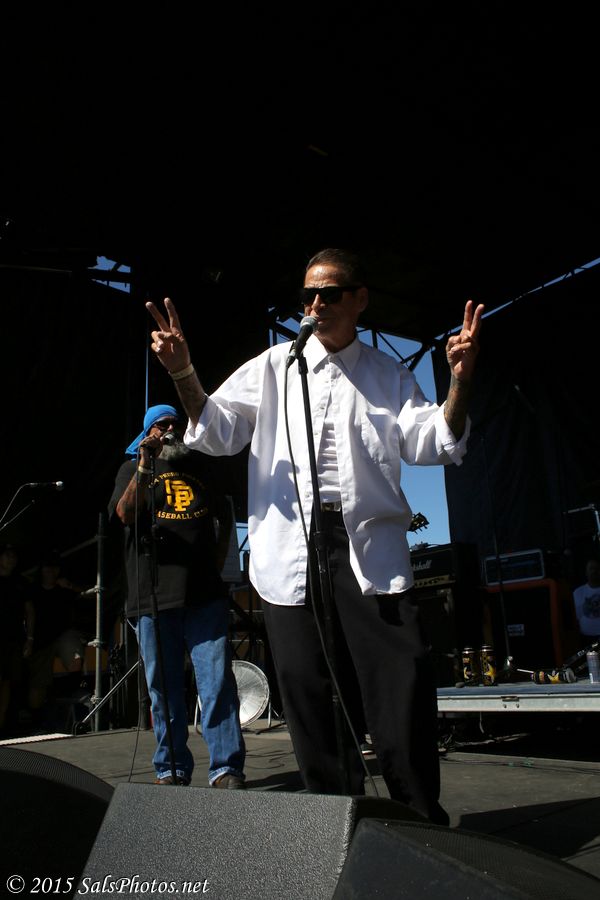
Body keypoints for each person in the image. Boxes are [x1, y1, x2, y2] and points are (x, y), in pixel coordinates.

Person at [146, 248, 483, 822]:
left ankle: (420, 819)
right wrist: (183, 372)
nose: (316, 304)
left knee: (399, 681)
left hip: (367, 547)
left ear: (359, 299)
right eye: (307, 295)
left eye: (329, 294)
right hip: (290, 547)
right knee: (308, 689)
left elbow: (431, 440)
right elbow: (219, 430)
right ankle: (334, 822)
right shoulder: (274, 366)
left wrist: (459, 381)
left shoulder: (386, 374)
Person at [108, 404, 246, 788]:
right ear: (147, 433)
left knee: (217, 681)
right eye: (161, 424)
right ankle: (171, 767)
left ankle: (226, 768)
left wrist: (217, 569)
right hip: (153, 595)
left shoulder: (200, 468)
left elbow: (223, 521)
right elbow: (125, 513)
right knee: (164, 688)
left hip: (204, 594)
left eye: (175, 423)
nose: (170, 429)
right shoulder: (132, 469)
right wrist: (144, 463)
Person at [26, 550, 90, 722]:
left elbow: (92, 594)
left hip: (63, 635)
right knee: (37, 686)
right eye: (47, 567)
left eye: (54, 567)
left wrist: (70, 586)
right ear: (41, 569)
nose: (51, 571)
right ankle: (36, 720)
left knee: (75, 659)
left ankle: (72, 690)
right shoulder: (32, 590)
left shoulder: (63, 588)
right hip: (40, 640)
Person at [0, 543, 34, 735]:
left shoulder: (21, 582)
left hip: (14, 639)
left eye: (13, 556)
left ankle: (2, 722)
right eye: (7, 555)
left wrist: (30, 637)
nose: (11, 559)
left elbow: (30, 611)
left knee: (8, 681)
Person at [573, 558, 600, 642]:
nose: (594, 571)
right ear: (586, 572)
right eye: (591, 568)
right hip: (586, 639)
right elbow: (576, 617)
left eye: (597, 568)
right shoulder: (577, 592)